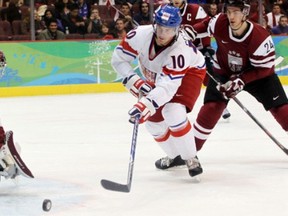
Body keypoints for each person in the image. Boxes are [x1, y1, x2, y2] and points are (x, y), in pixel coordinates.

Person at [111, 5, 206, 178]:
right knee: (152, 122)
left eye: (168, 30)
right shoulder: (140, 34)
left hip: (189, 72)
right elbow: (118, 60)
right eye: (160, 28)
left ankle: (191, 158)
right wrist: (135, 81)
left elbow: (167, 87)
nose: (162, 34)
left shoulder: (180, 51)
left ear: (177, 29)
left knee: (173, 111)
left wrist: (145, 105)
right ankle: (175, 156)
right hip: (157, 75)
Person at [187, 0, 288, 154]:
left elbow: (265, 69)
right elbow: (206, 25)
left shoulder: (259, 37)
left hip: (257, 76)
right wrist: (189, 31)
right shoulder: (220, 22)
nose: (231, 16)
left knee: (281, 109)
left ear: (245, 13)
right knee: (212, 107)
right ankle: (189, 152)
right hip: (224, 73)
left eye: (235, 12)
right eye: (228, 11)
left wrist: (242, 80)